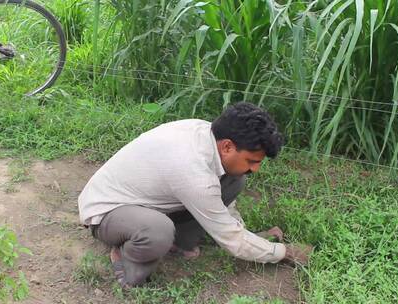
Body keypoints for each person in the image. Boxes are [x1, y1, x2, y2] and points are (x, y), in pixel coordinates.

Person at [78, 102, 312, 288]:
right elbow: (232, 240)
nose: (256, 168)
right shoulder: (192, 169)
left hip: (148, 201)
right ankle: (125, 256)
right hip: (107, 213)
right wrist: (284, 253)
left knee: (236, 178)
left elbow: (223, 215)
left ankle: (179, 242)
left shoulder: (209, 137)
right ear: (228, 146)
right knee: (157, 232)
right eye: (252, 160)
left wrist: (249, 236)